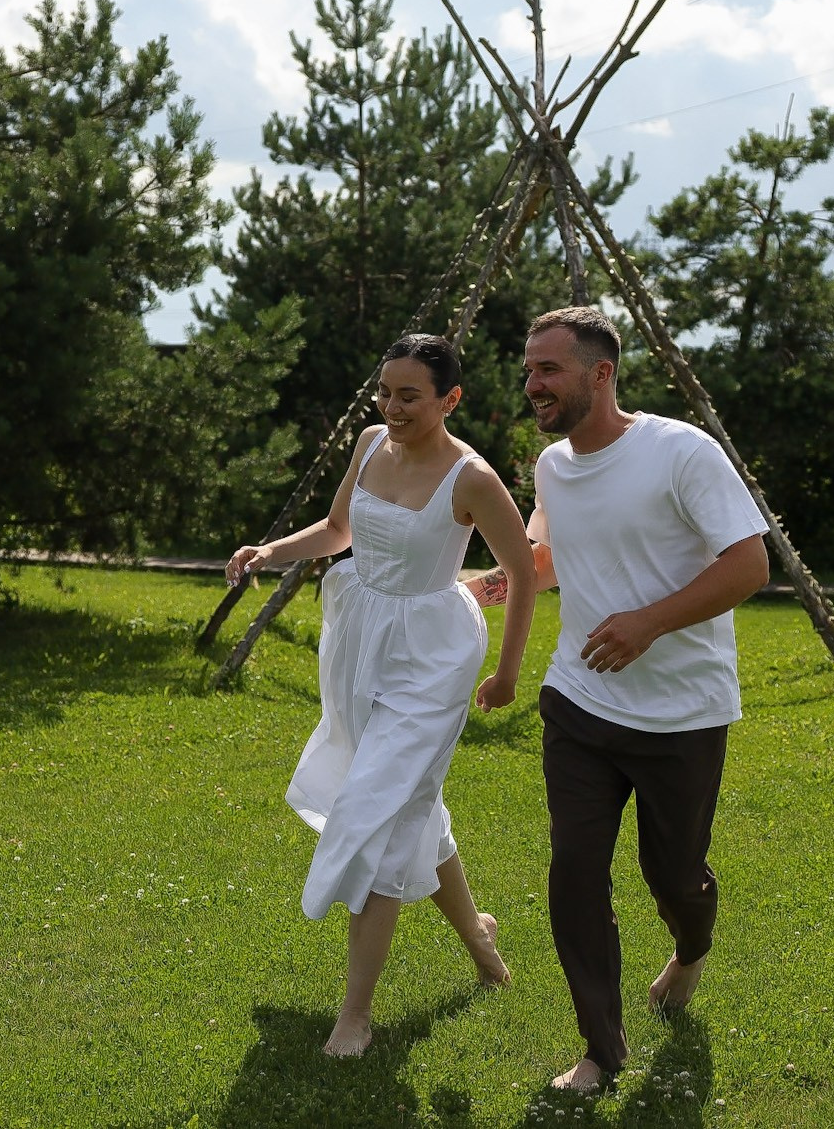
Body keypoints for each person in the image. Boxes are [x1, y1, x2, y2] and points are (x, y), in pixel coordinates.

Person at [465, 306, 770, 1093]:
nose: (532, 383)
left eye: (548, 369)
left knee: (673, 877)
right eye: (529, 368)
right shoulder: (551, 467)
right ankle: (601, 1050)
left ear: (600, 373)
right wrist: (473, 589)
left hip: (682, 713)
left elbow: (749, 566)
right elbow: (547, 558)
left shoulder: (680, 451)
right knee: (574, 872)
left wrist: (650, 622)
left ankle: (692, 948)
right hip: (578, 702)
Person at [227, 333, 537, 1057]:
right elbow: (339, 530)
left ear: (450, 399)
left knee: (378, 815)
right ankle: (480, 940)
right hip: (360, 635)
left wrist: (509, 672)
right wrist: (270, 552)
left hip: (432, 655)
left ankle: (355, 1014)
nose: (392, 408)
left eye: (410, 396)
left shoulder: (473, 478)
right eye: (385, 392)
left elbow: (520, 570)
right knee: (409, 804)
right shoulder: (369, 443)